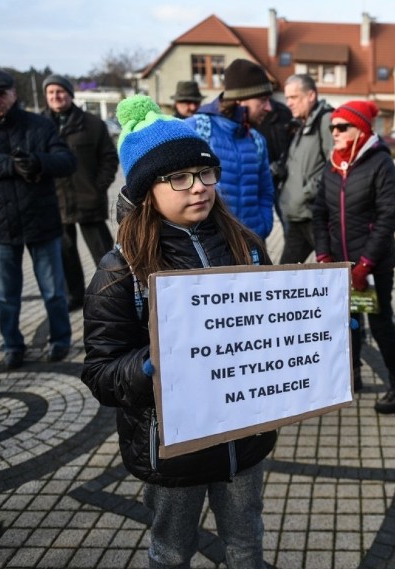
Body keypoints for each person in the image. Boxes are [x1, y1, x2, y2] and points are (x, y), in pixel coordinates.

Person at [81, 95, 277, 568]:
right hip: (171, 449)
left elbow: (272, 324)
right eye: (180, 178)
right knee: (170, 549)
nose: (199, 188)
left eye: (206, 173)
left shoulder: (246, 246)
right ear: (148, 189)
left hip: (243, 439)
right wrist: (149, 364)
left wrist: (318, 329)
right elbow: (101, 373)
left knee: (247, 540)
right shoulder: (120, 269)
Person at [0, 69, 76, 369]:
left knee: (53, 291)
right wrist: (10, 164)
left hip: (42, 220)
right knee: (6, 295)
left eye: (1, 94)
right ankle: (12, 344)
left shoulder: (40, 124)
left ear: (14, 93)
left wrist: (38, 161)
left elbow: (66, 161)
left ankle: (60, 339)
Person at [313, 100, 395, 413]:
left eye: (342, 127)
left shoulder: (380, 163)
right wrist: (323, 255)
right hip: (340, 263)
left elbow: (388, 216)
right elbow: (320, 214)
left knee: (381, 323)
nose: (335, 132)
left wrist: (366, 264)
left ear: (361, 129)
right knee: (348, 321)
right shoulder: (333, 165)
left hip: (373, 265)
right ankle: (351, 374)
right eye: (332, 127)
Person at [42, 74, 119, 312]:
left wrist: (98, 187)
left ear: (70, 94)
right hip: (54, 201)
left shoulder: (92, 123)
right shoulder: (39, 124)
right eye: (51, 92)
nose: (56, 96)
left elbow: (109, 158)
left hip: (88, 199)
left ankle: (114, 295)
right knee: (66, 254)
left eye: (60, 91)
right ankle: (73, 296)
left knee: (104, 254)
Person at [186, 58, 274, 239]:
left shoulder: (257, 140)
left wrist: (263, 226)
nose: (269, 107)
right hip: (211, 246)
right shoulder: (197, 128)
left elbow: (266, 192)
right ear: (240, 99)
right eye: (263, 100)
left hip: (252, 243)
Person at [280, 74, 333, 264]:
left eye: (293, 97)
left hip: (315, 217)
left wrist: (308, 191)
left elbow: (335, 167)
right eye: (287, 98)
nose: (289, 103)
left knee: (332, 272)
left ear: (311, 95)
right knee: (283, 276)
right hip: (297, 217)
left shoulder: (325, 121)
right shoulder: (302, 125)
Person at [256, 98, 297, 222]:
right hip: (258, 179)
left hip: (281, 179)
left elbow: (293, 144)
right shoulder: (247, 114)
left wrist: (282, 165)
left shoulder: (283, 112)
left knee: (287, 222)